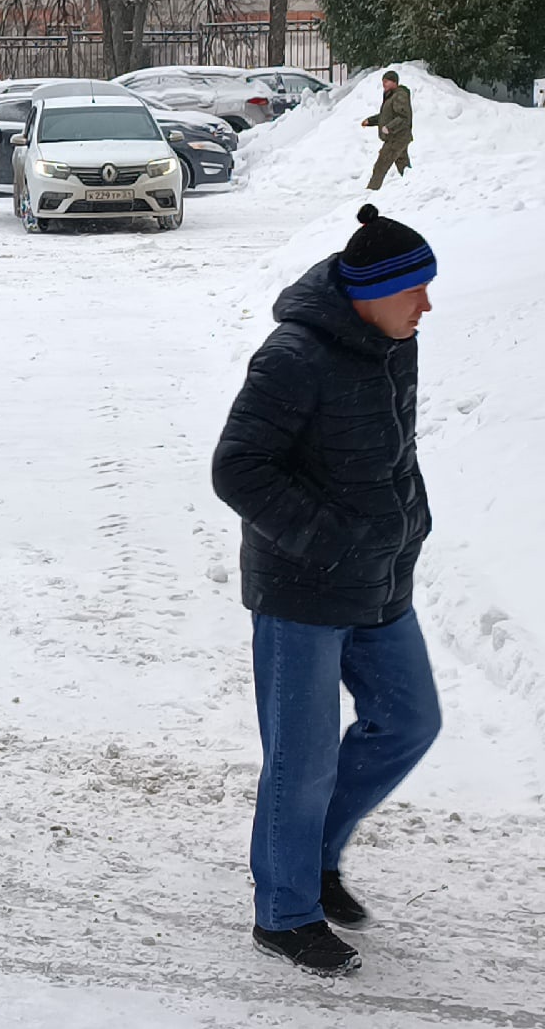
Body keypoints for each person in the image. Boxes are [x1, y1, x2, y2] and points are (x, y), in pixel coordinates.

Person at [212, 204, 442, 980]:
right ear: (370, 292)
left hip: (381, 579)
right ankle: (284, 914)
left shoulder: (392, 343)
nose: (427, 305)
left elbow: (394, 452)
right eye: (415, 290)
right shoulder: (294, 357)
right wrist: (328, 540)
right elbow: (238, 468)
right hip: (302, 591)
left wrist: (409, 522)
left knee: (408, 720)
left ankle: (312, 856)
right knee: (300, 760)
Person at [362, 71, 412, 189]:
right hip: (399, 137)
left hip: (396, 137)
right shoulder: (391, 96)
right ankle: (411, 187)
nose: (383, 83)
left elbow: (403, 117)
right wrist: (370, 121)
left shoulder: (399, 96)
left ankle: (371, 191)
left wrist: (389, 128)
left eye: (386, 81)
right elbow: (386, 116)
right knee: (403, 165)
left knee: (381, 165)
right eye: (383, 81)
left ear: (394, 82)